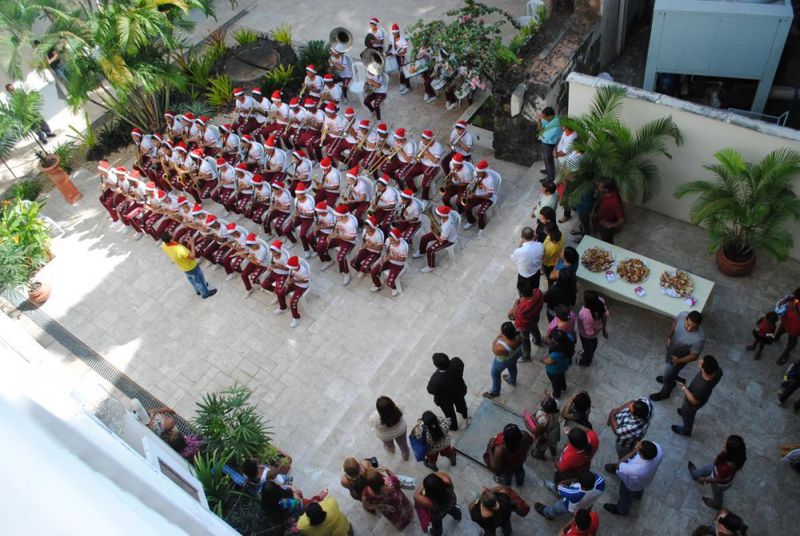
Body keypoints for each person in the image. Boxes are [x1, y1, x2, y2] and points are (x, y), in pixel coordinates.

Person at [650, 310, 706, 401]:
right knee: (670, 372)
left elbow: (694, 356)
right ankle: (670, 378)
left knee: (669, 373)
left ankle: (665, 393)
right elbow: (674, 324)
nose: (689, 329)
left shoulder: (699, 339)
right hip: (671, 350)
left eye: (693, 328)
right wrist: (670, 336)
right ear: (685, 319)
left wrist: (678, 360)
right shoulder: (682, 315)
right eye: (687, 325)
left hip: (679, 359)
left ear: (699, 326)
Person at [602, 440, 663, 516]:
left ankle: (621, 510)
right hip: (645, 480)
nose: (637, 444)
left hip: (631, 484)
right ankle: (638, 495)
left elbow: (619, 464)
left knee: (626, 496)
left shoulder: (636, 469)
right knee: (640, 487)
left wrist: (634, 451)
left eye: (638, 446)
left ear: (642, 455)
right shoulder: (659, 449)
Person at [689, 434, 747, 509]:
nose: (724, 442)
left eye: (725, 444)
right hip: (717, 471)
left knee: (717, 494)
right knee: (705, 469)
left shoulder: (726, 468)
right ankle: (695, 474)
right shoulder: (738, 457)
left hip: (719, 483)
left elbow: (716, 479)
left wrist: (704, 479)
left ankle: (716, 505)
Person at [671, 355, 723, 437]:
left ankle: (686, 430)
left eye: (701, 362)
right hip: (701, 397)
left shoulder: (702, 387)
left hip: (691, 404)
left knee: (688, 414)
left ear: (703, 369)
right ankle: (684, 413)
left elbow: (694, 401)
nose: (699, 361)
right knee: (686, 411)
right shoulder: (718, 371)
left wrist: (684, 388)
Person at [159, 232, 217, 298]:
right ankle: (205, 293)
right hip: (191, 266)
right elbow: (192, 257)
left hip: (184, 267)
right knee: (199, 280)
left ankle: (198, 290)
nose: (173, 233)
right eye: (172, 234)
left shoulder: (164, 245)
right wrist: (192, 244)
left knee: (192, 279)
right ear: (171, 239)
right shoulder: (179, 249)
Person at [534, 470, 605, 521]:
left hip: (568, 505)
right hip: (587, 504)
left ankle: (547, 513)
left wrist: (563, 482)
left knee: (554, 509)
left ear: (580, 483)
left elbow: (559, 487)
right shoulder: (601, 482)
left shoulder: (574, 494)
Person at [426, 353, 469, 430]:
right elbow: (461, 365)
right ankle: (464, 414)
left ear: (437, 366)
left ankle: (453, 426)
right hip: (459, 392)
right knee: (461, 404)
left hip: (445, 400)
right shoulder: (456, 362)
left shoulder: (436, 380)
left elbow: (430, 390)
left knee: (449, 414)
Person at [482, 322, 523, 399]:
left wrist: (497, 339)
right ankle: (512, 380)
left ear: (504, 334)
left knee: (495, 373)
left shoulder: (501, 347)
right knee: (512, 366)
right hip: (516, 355)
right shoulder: (518, 336)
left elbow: (494, 349)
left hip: (503, 361)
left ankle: (495, 391)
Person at [414, 472, 462, 536]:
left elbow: (415, 495)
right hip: (451, 502)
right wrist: (434, 481)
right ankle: (458, 516)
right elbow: (439, 474)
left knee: (437, 525)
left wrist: (425, 484)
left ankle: (437, 533)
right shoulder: (448, 482)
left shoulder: (429, 503)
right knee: (453, 510)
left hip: (438, 514)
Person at [508, 283, 543, 362]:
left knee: (525, 339)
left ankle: (526, 356)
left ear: (522, 294)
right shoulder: (538, 292)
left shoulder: (522, 308)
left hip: (525, 326)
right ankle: (538, 341)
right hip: (535, 318)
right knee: (535, 329)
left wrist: (516, 303)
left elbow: (517, 319)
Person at [369, 396, 410, 461]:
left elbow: (371, 425)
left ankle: (391, 450)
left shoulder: (374, 418)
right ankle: (405, 456)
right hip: (401, 431)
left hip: (385, 436)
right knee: (404, 445)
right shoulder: (399, 407)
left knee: (389, 445)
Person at [576, 290, 608, 366]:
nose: (582, 298)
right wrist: (604, 330)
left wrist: (588, 336)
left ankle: (586, 361)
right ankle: (588, 352)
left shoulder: (585, 313)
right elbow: (605, 316)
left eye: (583, 298)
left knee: (588, 346)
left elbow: (588, 331)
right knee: (593, 342)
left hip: (586, 333)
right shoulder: (601, 301)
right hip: (596, 329)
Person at [540, 328, 574, 398]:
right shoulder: (569, 338)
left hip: (554, 371)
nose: (551, 339)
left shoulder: (556, 354)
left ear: (557, 342)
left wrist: (542, 360)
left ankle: (556, 394)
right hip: (564, 365)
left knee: (555, 383)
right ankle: (563, 387)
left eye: (553, 338)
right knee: (561, 377)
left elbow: (549, 362)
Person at [528, 395, 561, 460]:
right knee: (553, 444)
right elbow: (553, 399)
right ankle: (553, 452)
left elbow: (536, 431)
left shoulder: (544, 419)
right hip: (555, 433)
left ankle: (539, 455)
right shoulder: (556, 406)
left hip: (545, 436)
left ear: (544, 409)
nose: (542, 400)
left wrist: (527, 422)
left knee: (541, 446)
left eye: (543, 401)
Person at [592, 179, 625, 243]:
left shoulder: (614, 202)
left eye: (600, 186)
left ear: (606, 189)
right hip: (600, 219)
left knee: (607, 241)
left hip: (606, 227)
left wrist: (611, 225)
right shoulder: (605, 193)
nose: (598, 187)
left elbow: (622, 219)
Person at [510, 226, 543, 291]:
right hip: (536, 273)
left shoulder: (519, 251)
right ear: (533, 236)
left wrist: (520, 245)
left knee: (523, 292)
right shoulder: (540, 245)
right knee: (535, 289)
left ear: (522, 237)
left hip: (524, 276)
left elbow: (513, 258)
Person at [775, 288, 800, 365]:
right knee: (781, 328)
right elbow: (793, 295)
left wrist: (794, 310)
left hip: (796, 326)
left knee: (792, 339)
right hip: (786, 318)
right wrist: (785, 300)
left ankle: (786, 353)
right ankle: (776, 338)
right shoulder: (796, 296)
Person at [537, 107, 561, 183]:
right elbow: (539, 129)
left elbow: (544, 136)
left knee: (549, 161)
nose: (543, 118)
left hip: (549, 145)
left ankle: (550, 178)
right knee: (545, 159)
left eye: (544, 117)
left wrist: (541, 133)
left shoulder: (556, 126)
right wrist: (539, 120)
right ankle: (548, 170)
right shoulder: (547, 119)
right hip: (545, 143)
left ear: (550, 116)